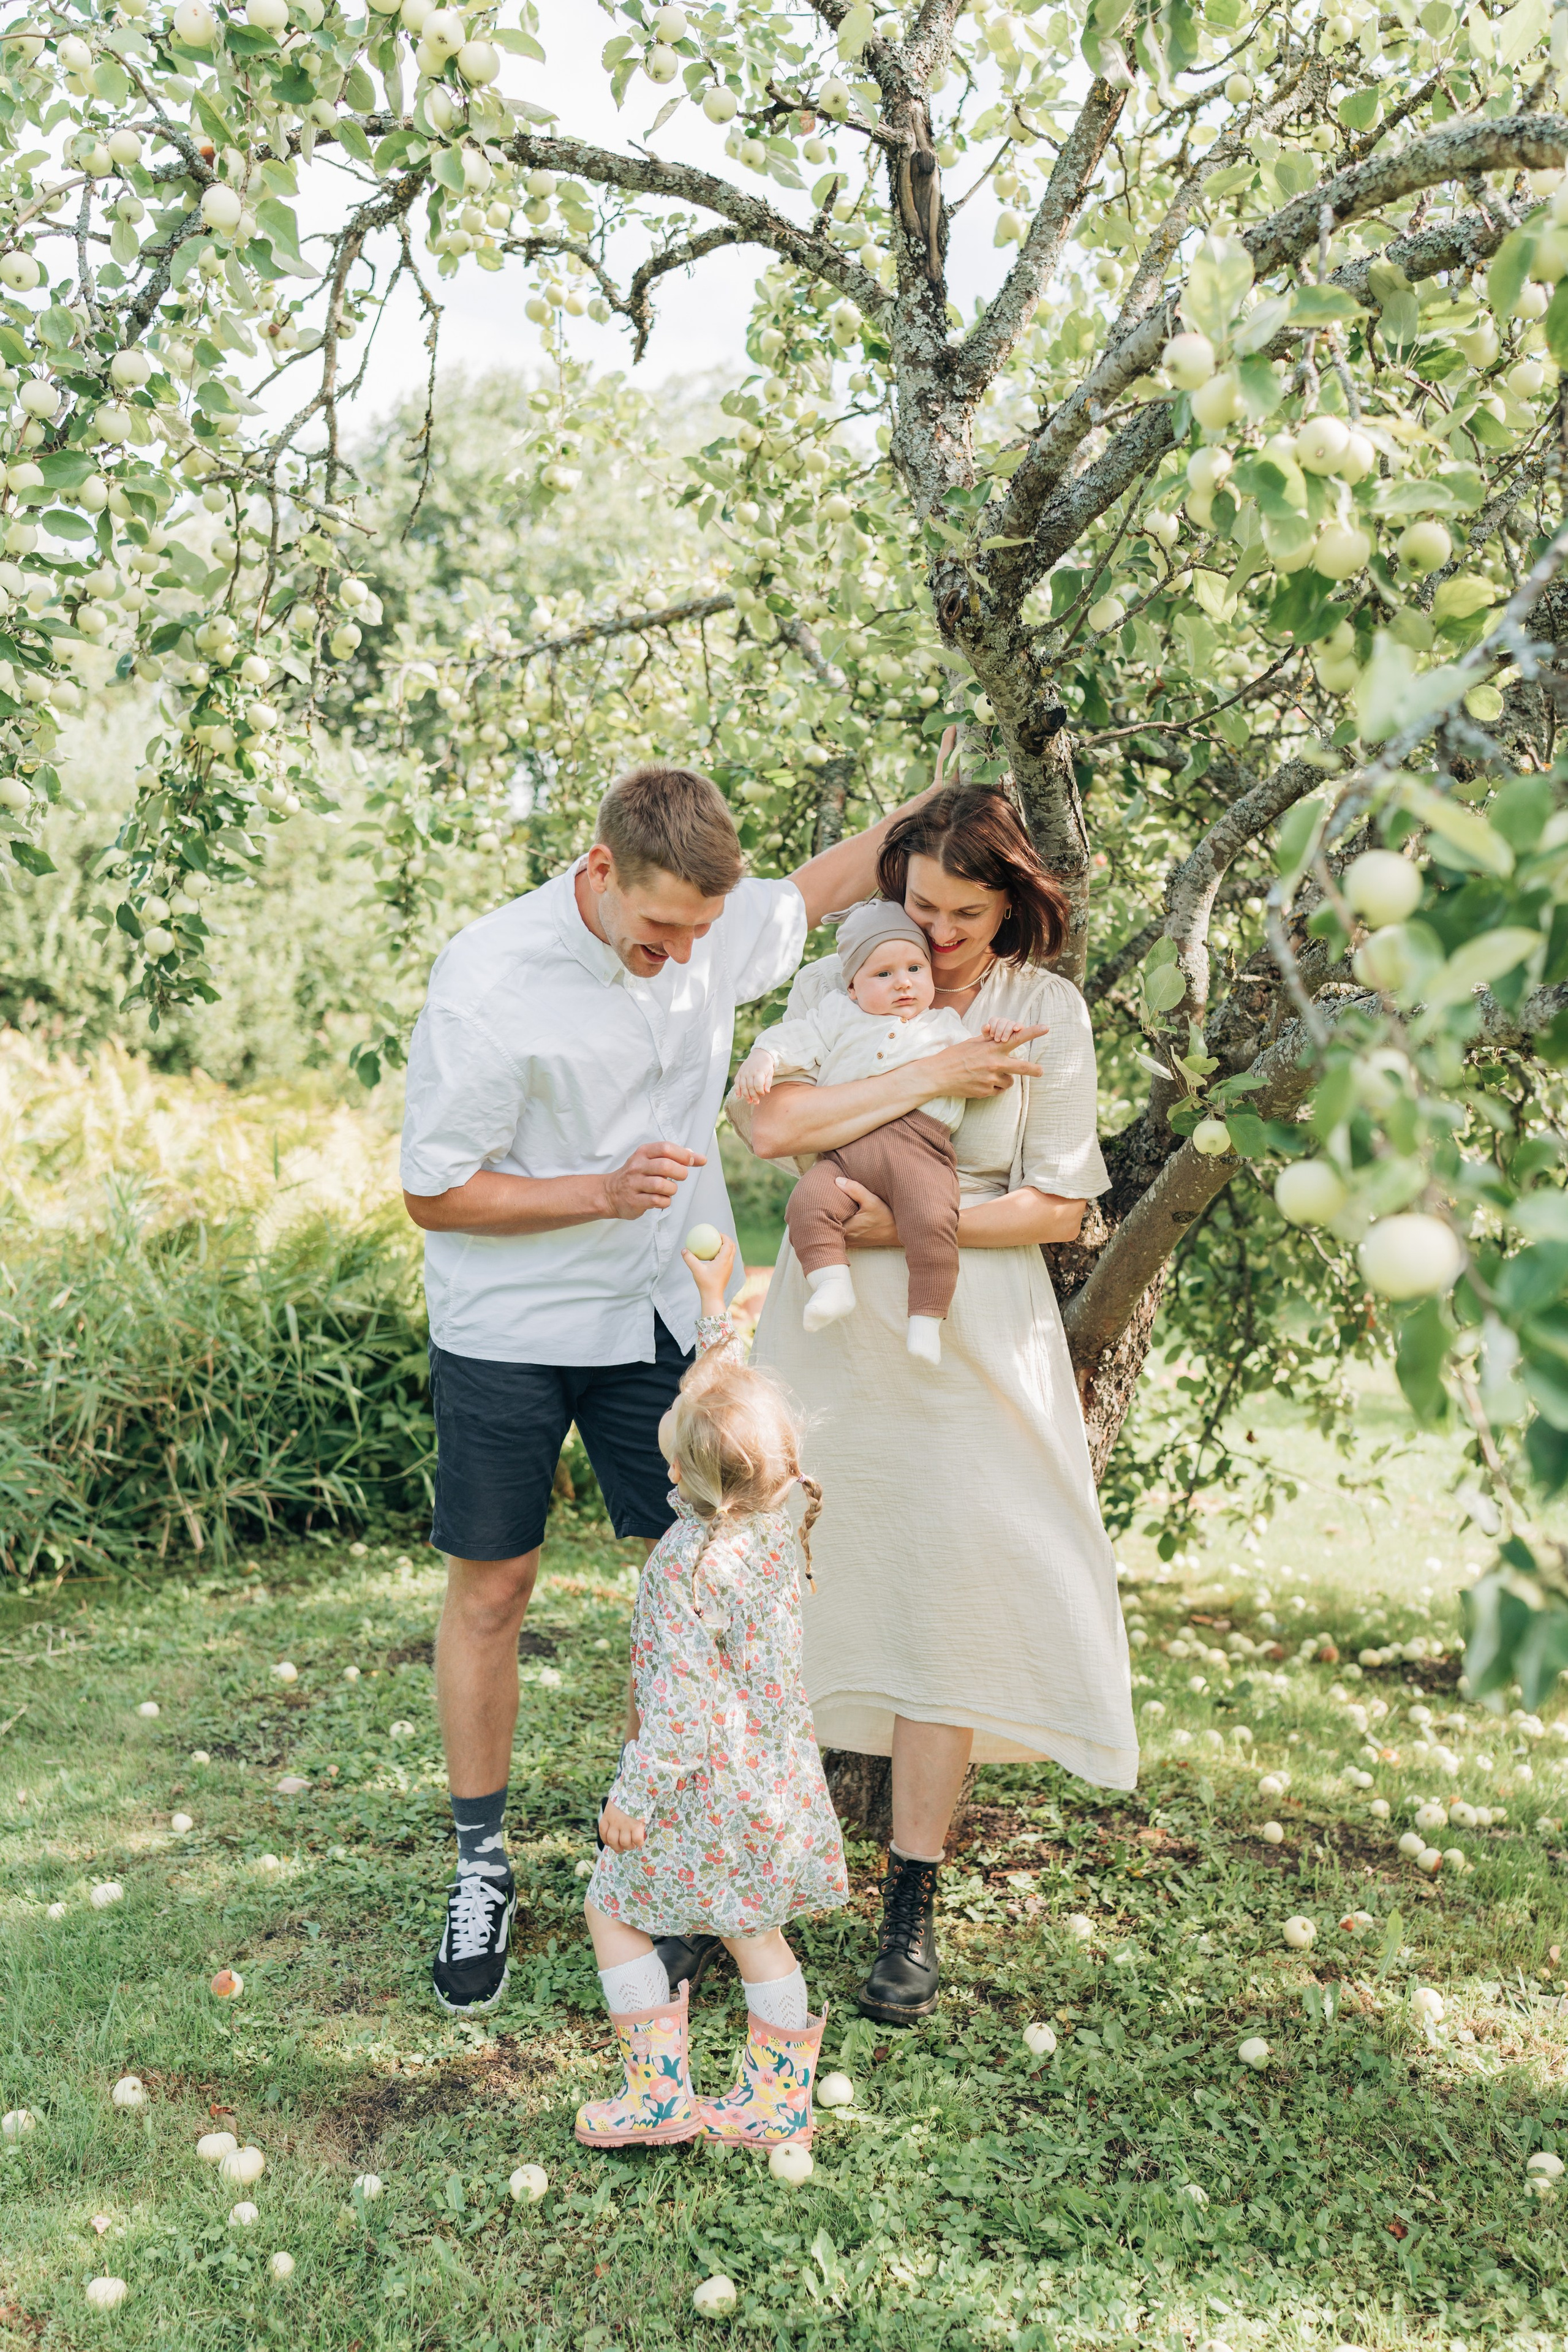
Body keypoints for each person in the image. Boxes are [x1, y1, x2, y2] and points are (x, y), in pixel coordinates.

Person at [399, 758, 930, 2016]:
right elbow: (433, 1187)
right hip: (509, 1324)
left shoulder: (710, 922)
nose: (681, 956)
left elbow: (833, 876)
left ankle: (668, 1857)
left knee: (694, 1582)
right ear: (598, 874)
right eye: (657, 933)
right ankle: (482, 1866)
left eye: (699, 935)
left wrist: (944, 811)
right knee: (495, 1587)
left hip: (658, 1319)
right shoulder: (489, 982)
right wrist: (597, 1189)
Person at [729, 759, 1137, 2028]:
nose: (940, 940)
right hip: (831, 1349)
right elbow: (774, 1131)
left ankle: (909, 1898)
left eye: (965, 917)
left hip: (969, 1342)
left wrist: (883, 1222)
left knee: (945, 1607)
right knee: (790, 1592)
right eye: (921, 911)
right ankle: (738, 1879)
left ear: (1010, 906)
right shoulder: (834, 978)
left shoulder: (1043, 1011)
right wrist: (921, 1082)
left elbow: (1057, 1209)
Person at [576, 1234, 847, 2152]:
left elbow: (685, 1708)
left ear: (704, 1487)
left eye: (672, 1466)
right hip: (767, 1782)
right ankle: (777, 2107)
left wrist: (632, 1798)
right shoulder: (773, 1513)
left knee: (612, 1908)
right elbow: (726, 1404)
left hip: (697, 1788)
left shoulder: (687, 1564)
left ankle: (657, 2101)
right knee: (754, 1930)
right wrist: (711, 1304)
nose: (663, 1473)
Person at [733, 899, 1038, 1365]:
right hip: (844, 1152)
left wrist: (1000, 1032)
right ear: (853, 989)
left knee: (932, 1220)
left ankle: (927, 1317)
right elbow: (790, 1039)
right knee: (807, 1204)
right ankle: (832, 1284)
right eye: (883, 974)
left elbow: (987, 1059)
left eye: (916, 968)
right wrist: (763, 1057)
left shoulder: (944, 1026)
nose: (903, 983)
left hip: (920, 1147)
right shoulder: (835, 1017)